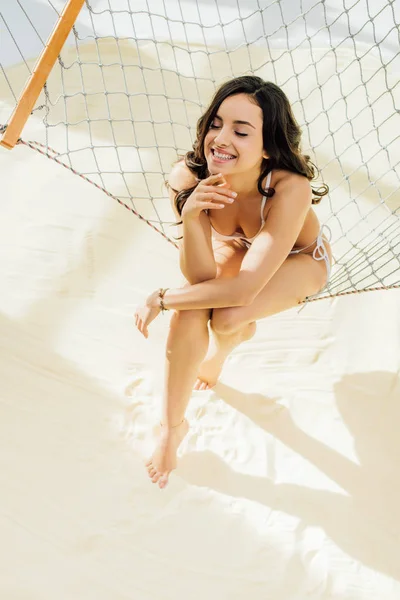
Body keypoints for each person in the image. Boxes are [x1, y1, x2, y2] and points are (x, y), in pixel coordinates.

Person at [134, 75, 333, 489]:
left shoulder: (289, 188)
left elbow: (239, 290)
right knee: (196, 312)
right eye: (216, 124)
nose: (221, 139)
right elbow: (201, 277)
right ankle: (172, 428)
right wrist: (191, 215)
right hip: (242, 252)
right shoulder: (188, 178)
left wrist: (163, 297)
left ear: (266, 147)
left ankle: (225, 346)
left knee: (226, 317)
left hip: (299, 259)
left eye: (241, 131)